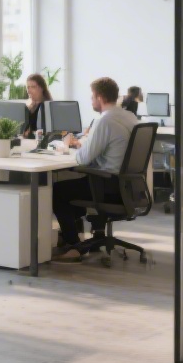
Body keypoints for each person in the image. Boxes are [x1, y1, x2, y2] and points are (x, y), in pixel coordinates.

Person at [51, 77, 139, 263]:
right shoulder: (129, 117)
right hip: (128, 186)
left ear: (99, 97)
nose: (91, 100)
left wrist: (78, 144)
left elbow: (83, 158)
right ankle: (77, 237)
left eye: (92, 97)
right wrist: (87, 141)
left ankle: (74, 246)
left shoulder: (105, 121)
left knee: (58, 192)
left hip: (108, 186)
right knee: (75, 185)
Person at [22, 73, 53, 138]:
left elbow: (45, 132)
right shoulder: (29, 106)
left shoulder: (47, 107)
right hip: (30, 141)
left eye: (33, 87)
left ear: (41, 88)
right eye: (28, 87)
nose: (29, 91)